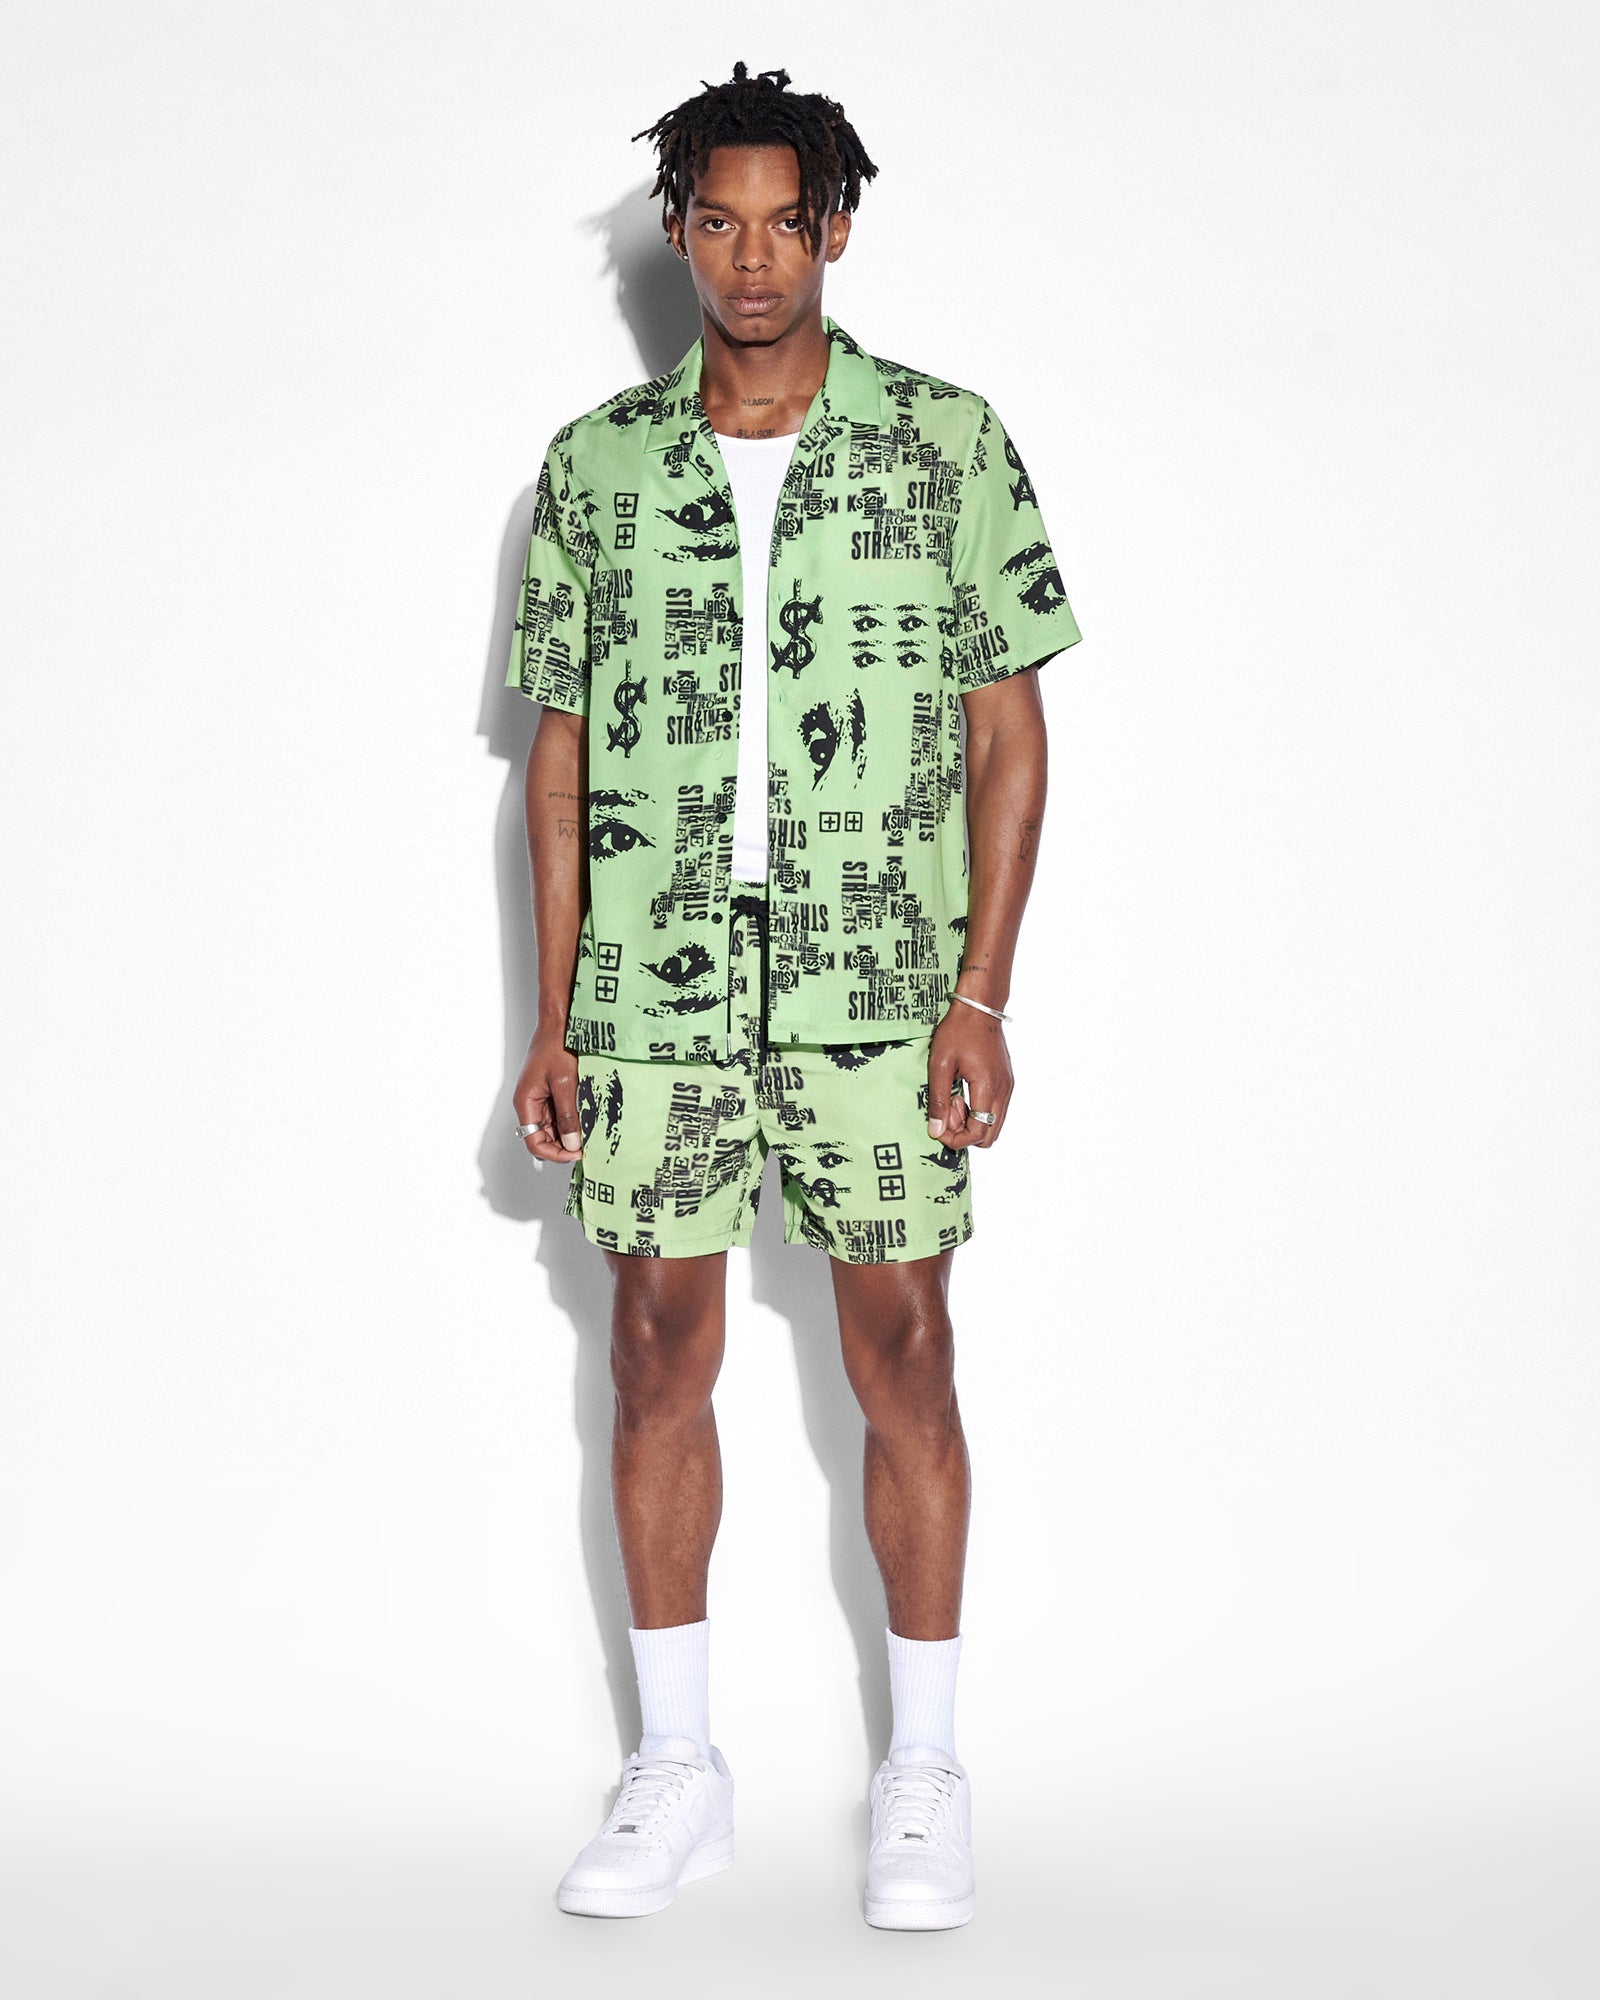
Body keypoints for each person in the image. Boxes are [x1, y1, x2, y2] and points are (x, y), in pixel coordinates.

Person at [506, 60, 1082, 1930]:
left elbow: (1010, 735)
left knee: (901, 1350)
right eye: (718, 223)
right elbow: (559, 757)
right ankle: (676, 1765)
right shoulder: (596, 468)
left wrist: (983, 993)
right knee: (652, 1349)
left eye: (785, 224)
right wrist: (553, 1015)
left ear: (835, 227)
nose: (751, 260)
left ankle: (926, 1766)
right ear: (680, 232)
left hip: (878, 978)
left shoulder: (947, 444)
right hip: (657, 989)